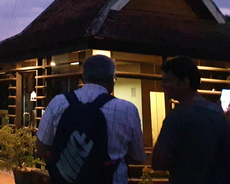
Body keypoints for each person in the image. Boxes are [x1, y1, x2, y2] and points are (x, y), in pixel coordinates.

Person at [36, 55, 146, 183]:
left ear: (84, 78)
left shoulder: (58, 103)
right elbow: (138, 157)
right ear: (111, 80)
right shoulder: (128, 110)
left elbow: (41, 146)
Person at [152, 56, 230, 183]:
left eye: (167, 81)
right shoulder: (218, 113)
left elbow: (158, 162)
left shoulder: (177, 116)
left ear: (184, 82)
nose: (162, 85)